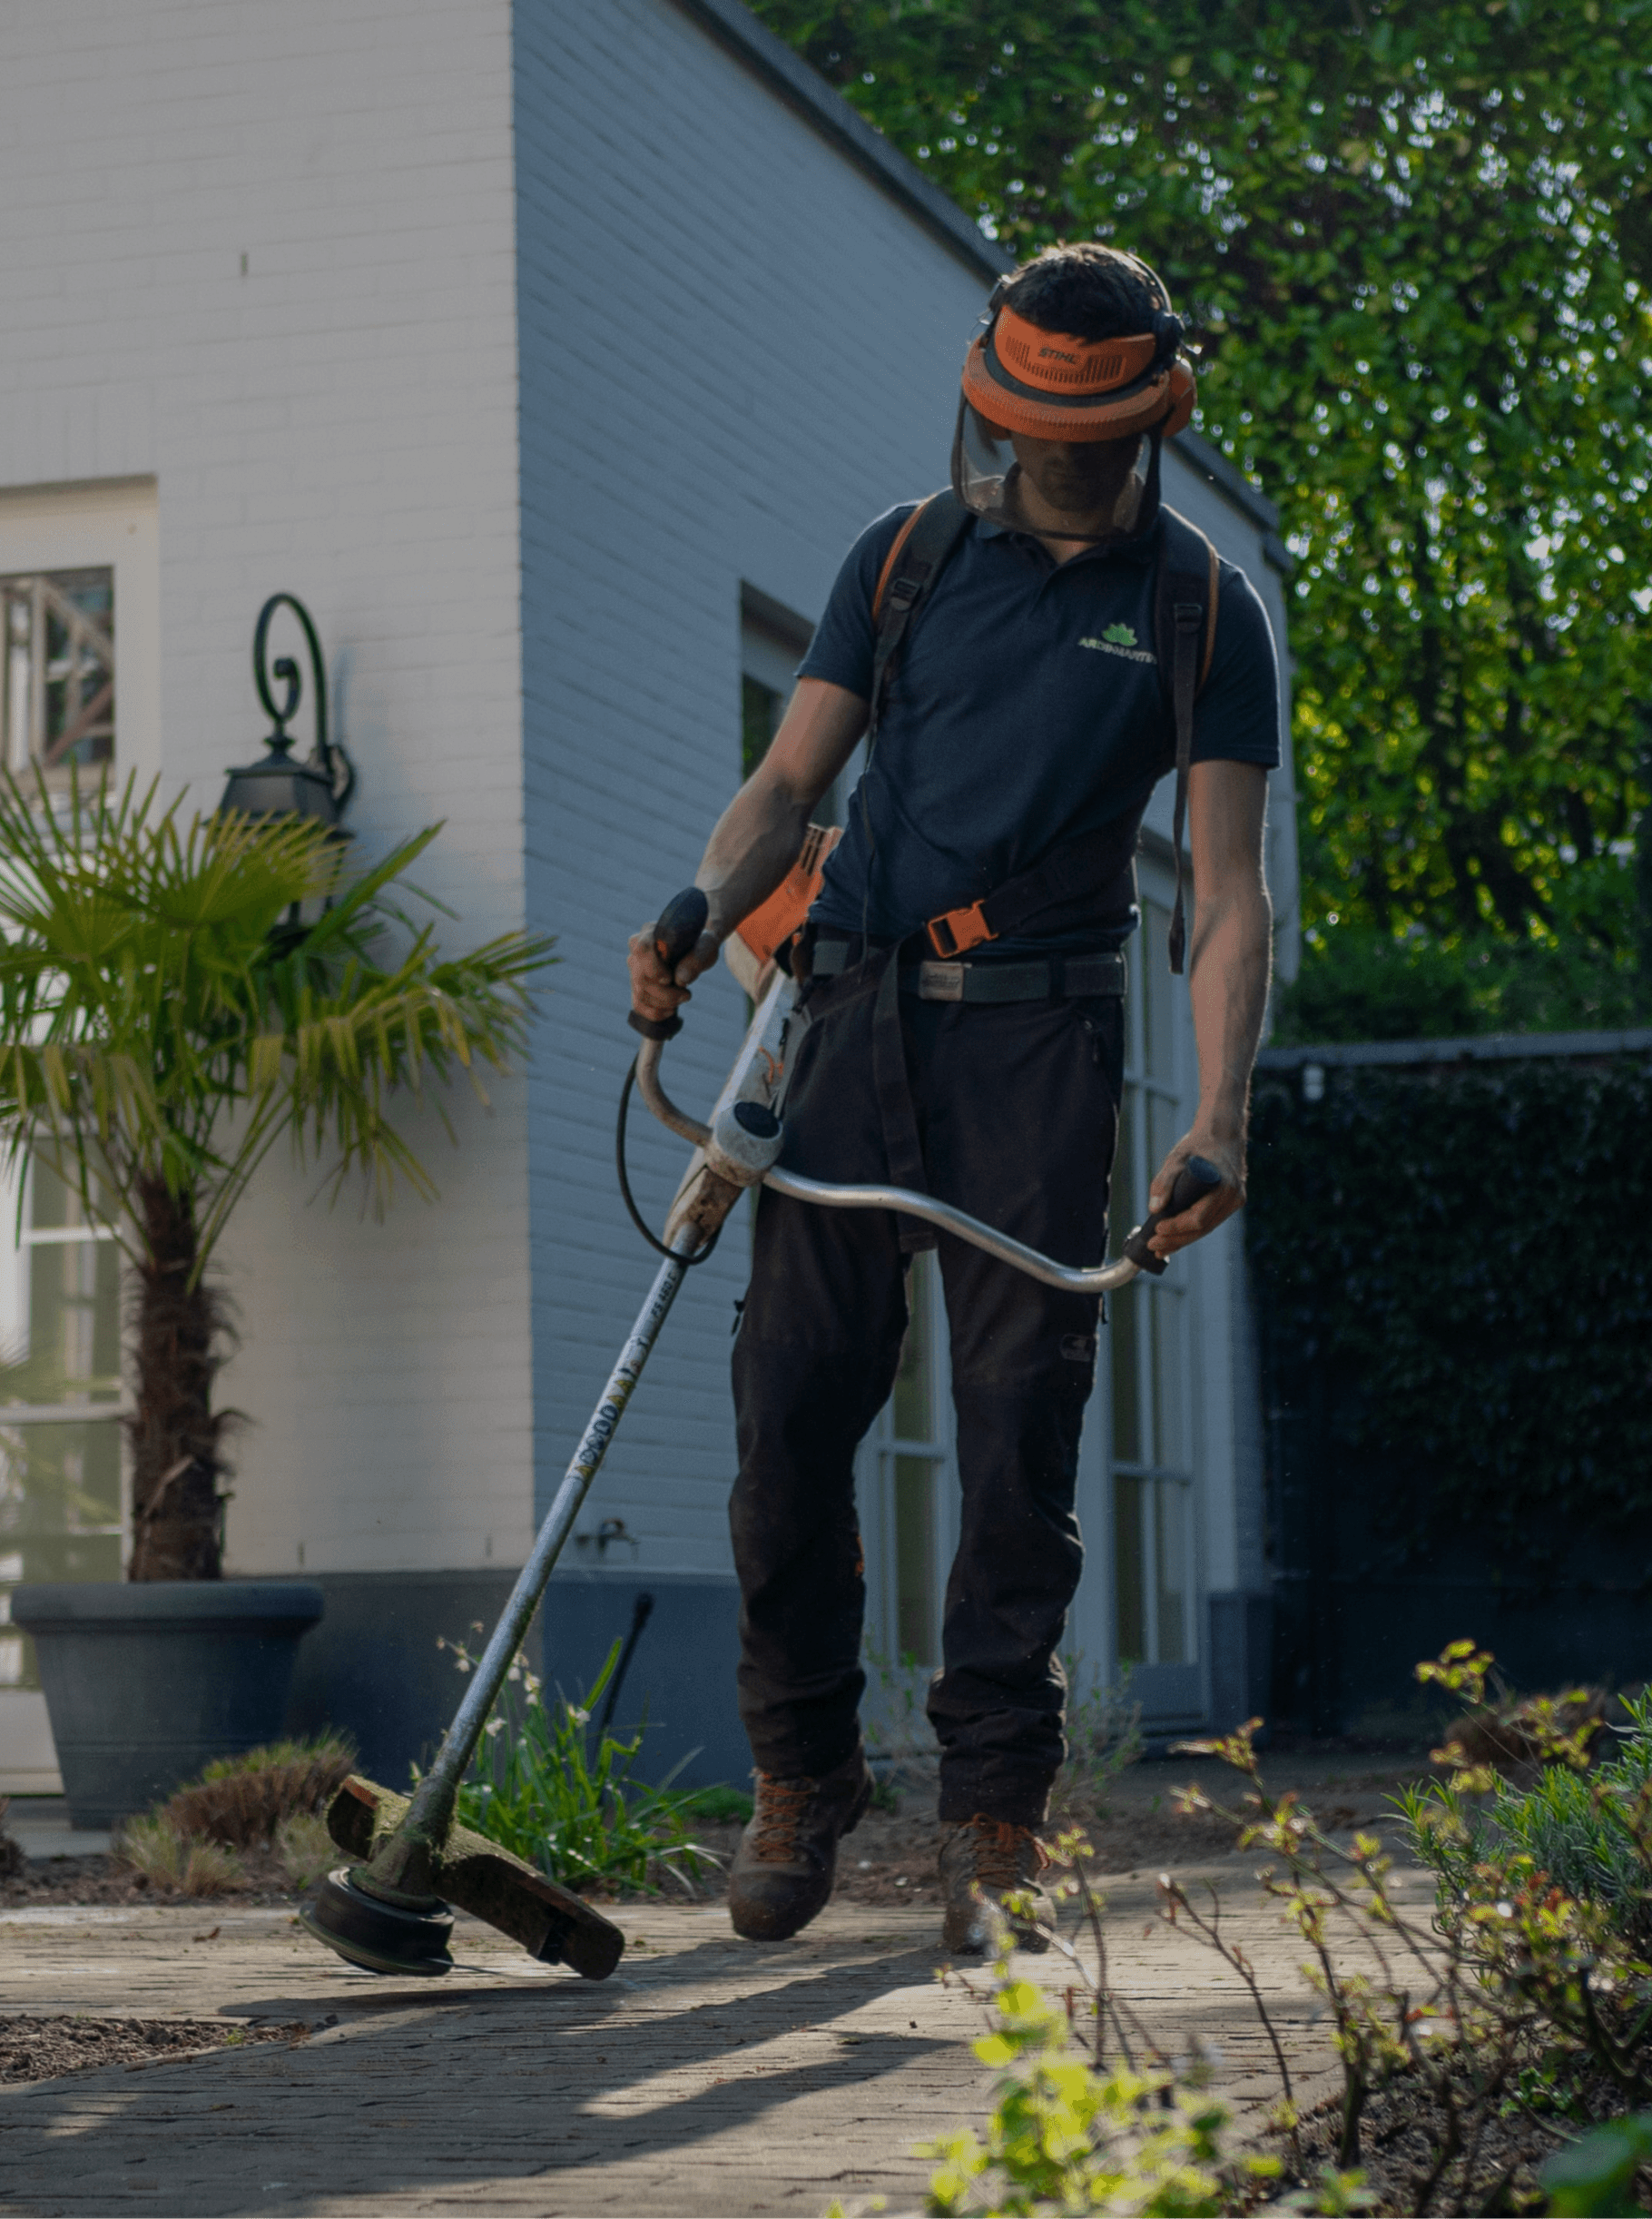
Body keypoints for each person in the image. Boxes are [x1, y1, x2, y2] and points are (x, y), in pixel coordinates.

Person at [626, 242, 1281, 1956]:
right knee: (786, 1434)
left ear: (1150, 415)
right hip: (842, 1033)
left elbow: (1224, 893)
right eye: (1015, 422)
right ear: (985, 402)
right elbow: (787, 784)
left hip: (1035, 1060)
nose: (1039, 455)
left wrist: (1217, 1114)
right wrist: (701, 912)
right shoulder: (905, 559)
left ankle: (991, 1826)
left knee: (1017, 1452)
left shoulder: (1206, 610)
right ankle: (802, 1784)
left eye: (1075, 431)